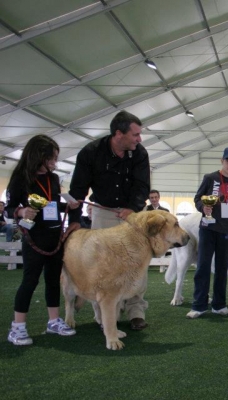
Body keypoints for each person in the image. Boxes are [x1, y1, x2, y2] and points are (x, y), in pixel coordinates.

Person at [69, 110, 151, 330]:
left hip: (132, 214)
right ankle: (106, 314)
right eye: (135, 134)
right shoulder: (90, 152)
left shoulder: (140, 153)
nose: (139, 139)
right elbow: (78, 189)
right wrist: (74, 220)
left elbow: (142, 186)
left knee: (137, 263)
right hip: (103, 211)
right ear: (118, 134)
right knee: (103, 265)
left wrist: (132, 209)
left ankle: (136, 311)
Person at [5, 135, 80, 346]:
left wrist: (69, 207)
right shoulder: (20, 178)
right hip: (33, 237)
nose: (54, 162)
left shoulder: (53, 179)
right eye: (51, 158)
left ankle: (53, 321)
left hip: (55, 237)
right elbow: (10, 208)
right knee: (29, 281)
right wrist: (21, 211)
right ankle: (17, 327)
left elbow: (52, 205)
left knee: (53, 281)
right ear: (39, 155)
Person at [186, 147, 228, 318]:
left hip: (226, 230)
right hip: (207, 228)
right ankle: (198, 305)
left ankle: (219, 305)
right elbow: (197, 198)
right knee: (203, 267)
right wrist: (202, 207)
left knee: (221, 268)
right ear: (222, 161)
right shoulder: (210, 178)